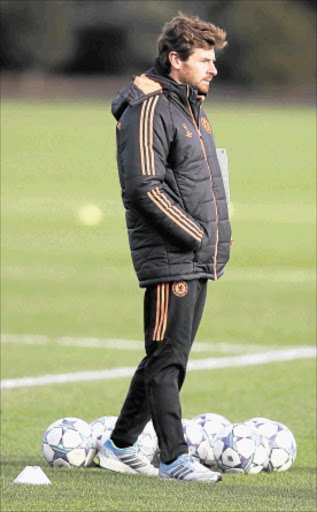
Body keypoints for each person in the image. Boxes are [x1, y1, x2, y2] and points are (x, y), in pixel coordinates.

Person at [99, 13, 232, 482]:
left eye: (214, 60)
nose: (213, 69)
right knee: (166, 359)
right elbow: (143, 187)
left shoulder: (192, 109)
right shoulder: (150, 108)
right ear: (175, 60)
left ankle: (118, 445)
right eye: (203, 60)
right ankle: (174, 457)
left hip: (195, 257)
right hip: (170, 254)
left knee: (167, 356)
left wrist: (213, 242)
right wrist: (196, 234)